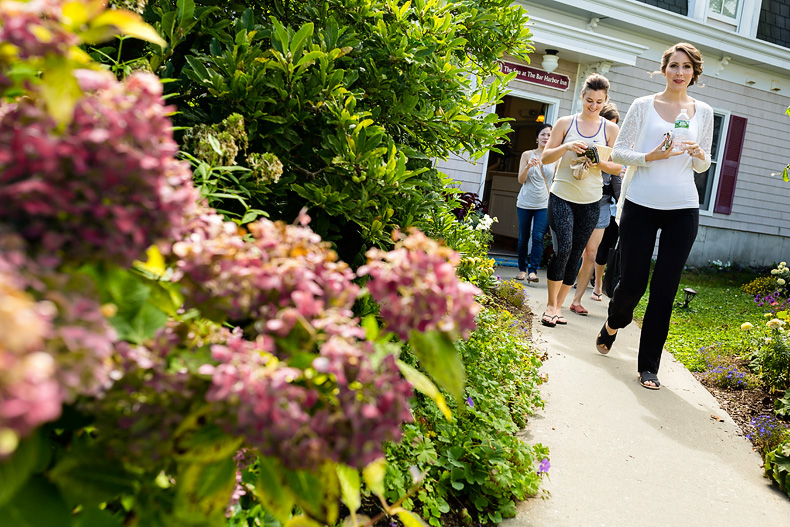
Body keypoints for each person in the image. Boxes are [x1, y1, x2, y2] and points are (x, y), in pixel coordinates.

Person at [596, 42, 714, 391]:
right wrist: (651, 156)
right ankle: (614, 323)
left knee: (665, 288)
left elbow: (703, 163)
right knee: (632, 283)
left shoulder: (703, 111)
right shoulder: (643, 106)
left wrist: (698, 153)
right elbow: (619, 152)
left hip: (683, 207)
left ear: (694, 73)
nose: (680, 72)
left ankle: (649, 366)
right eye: (674, 65)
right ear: (664, 69)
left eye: (687, 67)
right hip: (642, 203)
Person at [539, 74, 620, 327]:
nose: (593, 106)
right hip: (562, 195)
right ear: (581, 97)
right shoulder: (565, 123)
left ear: (604, 101)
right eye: (589, 100)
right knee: (562, 249)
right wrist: (567, 147)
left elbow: (617, 167)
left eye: (598, 102)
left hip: (591, 201)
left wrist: (600, 162)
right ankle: (550, 305)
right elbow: (545, 157)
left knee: (576, 254)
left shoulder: (610, 129)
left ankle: (559, 307)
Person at [569, 103, 623, 313]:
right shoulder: (586, 136)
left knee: (591, 254)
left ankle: (577, 300)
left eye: (615, 126)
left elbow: (616, 174)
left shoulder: (614, 145)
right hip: (577, 198)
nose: (611, 130)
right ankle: (558, 295)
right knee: (572, 250)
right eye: (609, 124)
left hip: (601, 203)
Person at [515, 123, 554, 282]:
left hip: (543, 203)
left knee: (537, 236)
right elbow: (520, 180)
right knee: (524, 237)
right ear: (537, 137)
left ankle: (533, 271)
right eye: (543, 134)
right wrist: (528, 167)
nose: (546, 138)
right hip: (525, 202)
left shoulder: (554, 157)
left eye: (549, 135)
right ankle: (522, 269)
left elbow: (556, 181)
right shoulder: (527, 155)